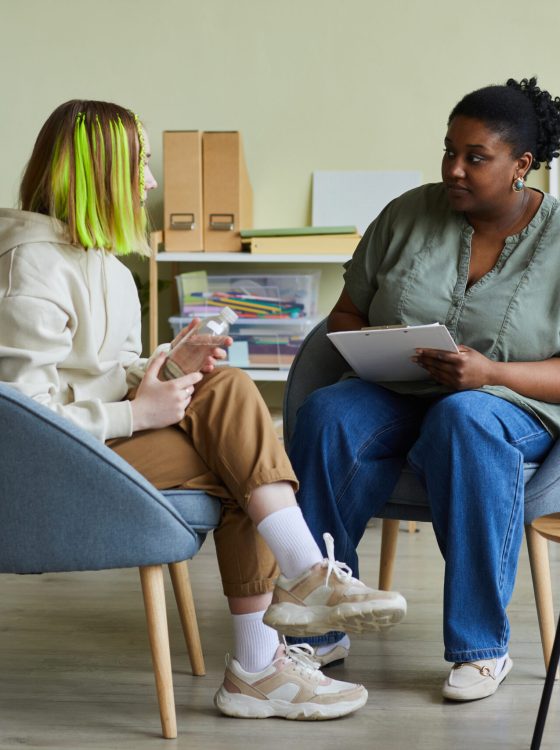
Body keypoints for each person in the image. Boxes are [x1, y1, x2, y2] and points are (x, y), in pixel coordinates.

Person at [0, 99, 407, 721]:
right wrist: (138, 415)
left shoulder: (104, 264)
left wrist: (164, 369)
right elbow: (20, 418)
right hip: (44, 467)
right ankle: (269, 643)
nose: (152, 183)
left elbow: (103, 373)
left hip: (94, 444)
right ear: (100, 173)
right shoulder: (28, 265)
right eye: (139, 165)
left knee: (235, 430)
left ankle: (282, 622)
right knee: (240, 453)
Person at [287, 76, 560, 702]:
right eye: (448, 151)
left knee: (464, 417)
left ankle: (481, 647)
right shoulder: (408, 212)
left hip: (515, 403)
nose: (453, 170)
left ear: (521, 165)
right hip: (399, 389)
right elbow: (346, 316)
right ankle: (327, 618)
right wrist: (378, 350)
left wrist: (491, 374)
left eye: (475, 158)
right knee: (328, 412)